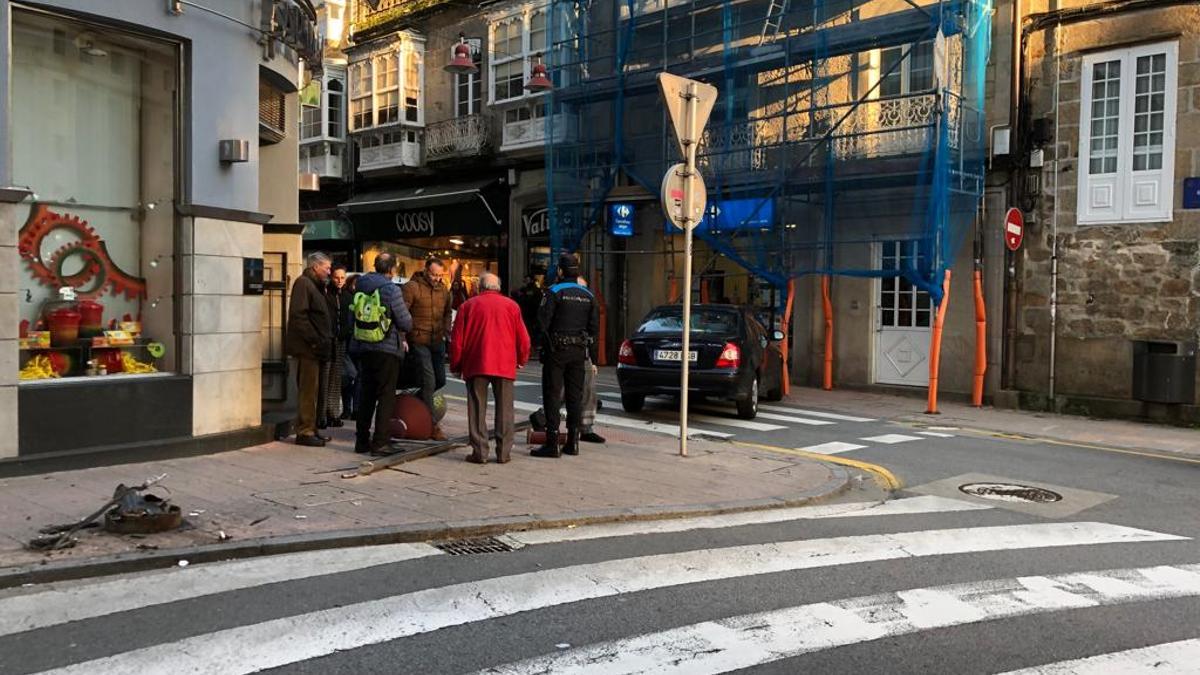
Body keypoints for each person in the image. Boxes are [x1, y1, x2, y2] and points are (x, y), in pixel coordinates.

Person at [449, 273, 531, 464]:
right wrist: (521, 359)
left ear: (480, 287)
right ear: (498, 287)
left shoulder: (467, 306)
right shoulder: (512, 306)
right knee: (505, 410)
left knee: (477, 408)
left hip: (476, 363)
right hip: (504, 364)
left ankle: (480, 452)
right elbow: (524, 339)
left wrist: (456, 365)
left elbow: (457, 341)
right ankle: (503, 453)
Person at [533, 253, 599, 458]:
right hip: (579, 352)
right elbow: (594, 328)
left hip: (557, 350)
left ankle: (552, 443)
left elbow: (542, 324)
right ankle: (573, 442)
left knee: (552, 395)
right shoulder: (588, 295)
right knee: (574, 397)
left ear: (560, 271)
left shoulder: (554, 291)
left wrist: (545, 346)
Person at [350, 253, 413, 455]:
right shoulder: (391, 289)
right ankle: (380, 442)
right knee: (386, 395)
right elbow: (405, 322)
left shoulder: (361, 284)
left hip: (363, 345)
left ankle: (361, 440)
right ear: (392, 269)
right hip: (385, 348)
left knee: (366, 393)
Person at [285, 252, 334, 447]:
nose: (329, 271)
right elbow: (299, 316)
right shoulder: (304, 284)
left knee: (315, 391)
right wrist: (314, 340)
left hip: (317, 348)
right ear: (316, 267)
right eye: (327, 268)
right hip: (308, 348)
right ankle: (305, 431)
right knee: (308, 390)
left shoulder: (316, 286)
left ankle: (311, 428)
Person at [402, 257, 453, 441]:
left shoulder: (443, 289)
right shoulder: (412, 287)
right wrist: (403, 337)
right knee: (429, 381)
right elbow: (402, 312)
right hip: (418, 339)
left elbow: (448, 311)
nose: (437, 279)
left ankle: (418, 398)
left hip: (437, 340)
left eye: (440, 275)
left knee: (440, 380)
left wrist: (447, 330)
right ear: (425, 271)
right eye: (434, 275)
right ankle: (432, 426)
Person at [319, 266, 352, 428]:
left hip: (340, 340)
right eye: (336, 277)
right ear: (331, 277)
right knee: (325, 376)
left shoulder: (347, 296)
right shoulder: (326, 294)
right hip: (327, 339)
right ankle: (322, 414)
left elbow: (349, 319)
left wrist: (345, 333)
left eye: (342, 278)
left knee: (336, 378)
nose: (339, 281)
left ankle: (333, 413)